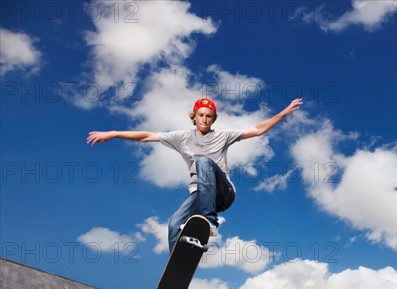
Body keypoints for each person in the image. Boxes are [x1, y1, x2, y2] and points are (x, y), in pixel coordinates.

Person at [88, 97, 302, 254]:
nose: (205, 120)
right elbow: (147, 136)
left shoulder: (224, 136)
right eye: (201, 115)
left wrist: (284, 113)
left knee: (203, 162)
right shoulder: (180, 137)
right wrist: (113, 134)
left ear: (213, 119)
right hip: (200, 196)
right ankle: (176, 281)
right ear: (194, 116)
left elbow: (257, 130)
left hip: (223, 192)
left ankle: (209, 222)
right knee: (174, 224)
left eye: (209, 116)